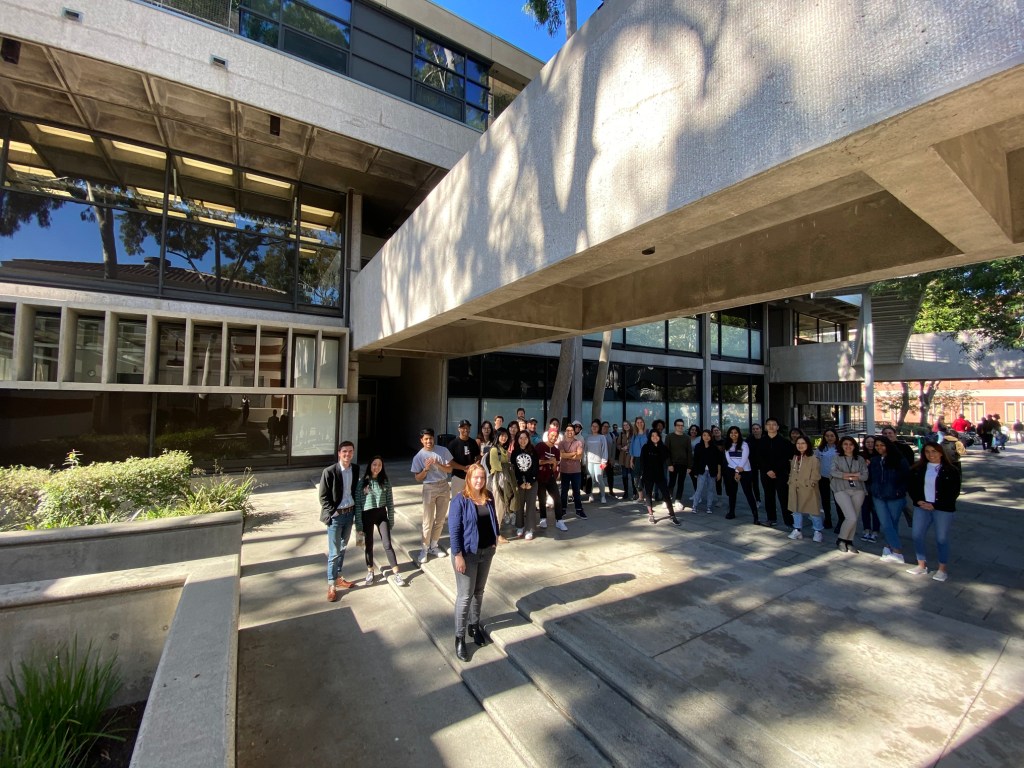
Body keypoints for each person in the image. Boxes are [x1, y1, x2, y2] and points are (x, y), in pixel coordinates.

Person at [449, 463, 500, 661]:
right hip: (467, 554)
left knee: (479, 592)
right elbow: (454, 531)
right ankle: (460, 637)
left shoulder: (488, 496)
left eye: (482, 477)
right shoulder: (460, 501)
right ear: (469, 478)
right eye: (475, 477)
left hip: (487, 552)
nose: (479, 481)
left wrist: (496, 539)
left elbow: (493, 519)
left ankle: (474, 625)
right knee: (465, 596)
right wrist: (458, 555)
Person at [906, 442, 962, 582]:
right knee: (917, 535)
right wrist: (918, 501)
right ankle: (921, 565)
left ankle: (942, 569)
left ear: (941, 452)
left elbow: (953, 492)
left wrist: (936, 505)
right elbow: (912, 487)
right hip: (922, 507)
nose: (931, 454)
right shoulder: (918, 469)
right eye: (927, 452)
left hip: (942, 509)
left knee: (941, 538)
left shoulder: (951, 470)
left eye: (934, 451)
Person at [319, 441, 360, 602]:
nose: (347, 454)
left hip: (349, 515)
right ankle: (331, 585)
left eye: (350, 451)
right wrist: (334, 512)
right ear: (339, 453)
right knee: (334, 551)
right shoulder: (329, 472)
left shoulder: (355, 469)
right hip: (336, 516)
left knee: (343, 548)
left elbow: (355, 490)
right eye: (344, 451)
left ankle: (339, 577)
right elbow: (323, 496)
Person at [357, 456, 405, 587]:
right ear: (369, 466)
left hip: (381, 515)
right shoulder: (362, 482)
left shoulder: (385, 480)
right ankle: (370, 570)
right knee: (368, 544)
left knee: (387, 544)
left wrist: (391, 518)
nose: (376, 467)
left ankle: (396, 573)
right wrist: (358, 524)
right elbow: (358, 505)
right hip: (366, 515)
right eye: (374, 464)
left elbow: (390, 501)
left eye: (379, 465)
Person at [410, 428, 453, 565]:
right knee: (427, 521)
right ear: (422, 440)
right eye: (426, 439)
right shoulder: (418, 456)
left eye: (431, 438)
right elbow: (417, 477)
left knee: (440, 519)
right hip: (429, 487)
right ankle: (424, 548)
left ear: (434, 439)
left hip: (444, 485)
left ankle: (434, 546)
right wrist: (426, 469)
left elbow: (450, 469)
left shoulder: (443, 450)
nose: (429, 441)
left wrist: (437, 464)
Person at [870, 435, 910, 564]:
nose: (879, 448)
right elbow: (872, 477)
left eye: (882, 445)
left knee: (892, 523)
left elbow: (906, 478)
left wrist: (900, 491)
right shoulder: (875, 460)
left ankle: (891, 548)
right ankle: (896, 550)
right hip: (878, 496)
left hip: (895, 496)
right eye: (877, 446)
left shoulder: (899, 460)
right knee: (886, 523)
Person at [831, 436, 868, 553]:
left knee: (854, 517)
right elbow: (833, 472)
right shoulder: (836, 458)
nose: (848, 446)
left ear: (854, 446)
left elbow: (865, 476)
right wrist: (853, 475)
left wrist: (844, 475)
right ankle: (841, 539)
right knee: (850, 517)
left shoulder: (860, 459)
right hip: (841, 489)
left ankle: (849, 541)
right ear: (841, 446)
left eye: (850, 444)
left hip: (858, 490)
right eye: (845, 444)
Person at [756, 418, 795, 527]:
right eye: (769, 424)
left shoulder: (784, 442)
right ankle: (771, 519)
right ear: (765, 427)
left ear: (778, 427)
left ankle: (789, 521)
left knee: (784, 497)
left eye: (774, 424)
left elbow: (786, 458)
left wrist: (775, 470)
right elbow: (759, 458)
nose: (771, 426)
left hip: (781, 473)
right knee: (768, 496)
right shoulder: (761, 441)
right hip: (765, 473)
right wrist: (768, 470)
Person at [787, 435, 823, 541]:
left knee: (813, 511)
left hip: (808, 488)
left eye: (803, 443)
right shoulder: (795, 457)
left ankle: (817, 531)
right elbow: (792, 471)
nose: (800, 446)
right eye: (798, 443)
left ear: (807, 444)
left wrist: (811, 483)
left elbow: (816, 475)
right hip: (794, 487)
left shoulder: (813, 458)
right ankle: (797, 529)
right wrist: (790, 481)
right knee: (796, 509)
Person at [640, 429, 678, 524]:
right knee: (648, 494)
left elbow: (668, 458)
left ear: (660, 437)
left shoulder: (663, 447)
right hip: (648, 474)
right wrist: (642, 474)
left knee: (666, 494)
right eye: (652, 435)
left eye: (656, 435)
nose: (655, 437)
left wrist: (670, 465)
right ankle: (651, 515)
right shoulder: (645, 447)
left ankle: (672, 515)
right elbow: (642, 461)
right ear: (650, 437)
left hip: (660, 474)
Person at [722, 426, 758, 523]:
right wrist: (736, 470)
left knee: (748, 493)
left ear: (739, 434)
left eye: (736, 432)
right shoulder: (727, 445)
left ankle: (755, 516)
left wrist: (738, 471)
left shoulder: (744, 444)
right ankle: (731, 512)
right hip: (732, 470)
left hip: (745, 471)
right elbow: (728, 459)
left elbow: (744, 458)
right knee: (732, 492)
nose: (733, 434)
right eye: (731, 432)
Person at [535, 427, 567, 531]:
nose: (554, 438)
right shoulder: (540, 446)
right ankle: (543, 518)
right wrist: (549, 461)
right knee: (542, 498)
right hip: (540, 477)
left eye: (556, 436)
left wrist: (554, 463)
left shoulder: (556, 451)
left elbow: (554, 468)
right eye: (552, 435)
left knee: (557, 498)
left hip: (550, 477)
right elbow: (537, 461)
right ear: (548, 435)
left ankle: (559, 520)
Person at [511, 430, 539, 539]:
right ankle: (520, 526)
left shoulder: (533, 451)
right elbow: (514, 469)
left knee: (531, 506)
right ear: (517, 439)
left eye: (525, 438)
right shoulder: (514, 452)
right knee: (519, 505)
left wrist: (530, 482)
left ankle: (529, 529)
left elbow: (535, 468)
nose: (523, 440)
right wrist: (520, 482)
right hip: (519, 483)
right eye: (520, 438)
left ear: (528, 439)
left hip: (532, 483)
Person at [487, 427, 516, 529]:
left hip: (505, 479)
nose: (504, 437)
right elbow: (496, 466)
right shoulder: (494, 449)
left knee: (503, 505)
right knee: (498, 506)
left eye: (506, 435)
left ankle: (496, 530)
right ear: (497, 436)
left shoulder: (503, 449)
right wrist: (508, 466)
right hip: (498, 480)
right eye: (502, 435)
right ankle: (496, 533)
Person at [558, 423, 587, 519]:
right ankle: (563, 509)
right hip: (564, 470)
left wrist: (568, 454)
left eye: (571, 430)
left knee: (576, 491)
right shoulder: (561, 443)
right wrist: (573, 454)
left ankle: (579, 510)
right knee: (564, 491)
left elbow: (579, 456)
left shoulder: (578, 442)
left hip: (576, 471)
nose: (569, 432)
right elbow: (562, 455)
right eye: (567, 430)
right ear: (565, 432)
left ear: (574, 432)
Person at [691, 429, 722, 514]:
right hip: (701, 471)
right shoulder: (698, 446)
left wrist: (719, 473)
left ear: (711, 437)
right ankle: (694, 506)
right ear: (702, 436)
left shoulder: (714, 447)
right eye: (704, 435)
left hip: (712, 472)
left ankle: (709, 507)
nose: (706, 437)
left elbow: (718, 461)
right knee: (699, 489)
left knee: (710, 490)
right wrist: (695, 472)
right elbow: (695, 460)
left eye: (708, 435)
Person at [448, 419, 481, 497]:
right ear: (459, 429)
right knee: (457, 500)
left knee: (472, 500)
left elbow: (478, 457)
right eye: (463, 428)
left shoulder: (473, 442)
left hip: (472, 476)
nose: (465, 430)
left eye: (467, 428)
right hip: (457, 477)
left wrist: (473, 466)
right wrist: (463, 468)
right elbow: (450, 462)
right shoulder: (453, 444)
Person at [665, 419, 693, 510]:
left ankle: (678, 500)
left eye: (682, 425)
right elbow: (666, 451)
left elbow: (689, 452)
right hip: (673, 464)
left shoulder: (687, 438)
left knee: (681, 483)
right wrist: (669, 464)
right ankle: (668, 500)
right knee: (671, 483)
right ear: (675, 426)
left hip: (683, 464)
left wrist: (689, 466)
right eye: (678, 425)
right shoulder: (669, 436)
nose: (680, 427)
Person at [815, 429, 839, 530]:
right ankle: (827, 519)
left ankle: (841, 520)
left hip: (836, 478)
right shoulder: (820, 449)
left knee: (838, 500)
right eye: (827, 436)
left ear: (836, 437)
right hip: (823, 477)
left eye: (832, 435)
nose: (830, 438)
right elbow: (816, 462)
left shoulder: (839, 448)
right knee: (825, 500)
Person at [860, 435, 881, 543]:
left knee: (875, 509)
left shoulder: (880, 456)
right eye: (867, 442)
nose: (870, 444)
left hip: (876, 485)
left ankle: (876, 530)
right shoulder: (861, 456)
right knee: (865, 508)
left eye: (872, 442)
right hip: (864, 485)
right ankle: (866, 529)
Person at [584, 420, 609, 504]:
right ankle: (591, 495)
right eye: (593, 426)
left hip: (599, 463)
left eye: (596, 426)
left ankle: (603, 496)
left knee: (599, 479)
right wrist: (584, 461)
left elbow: (605, 450)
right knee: (590, 480)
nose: (594, 428)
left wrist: (604, 462)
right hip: (589, 462)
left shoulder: (602, 437)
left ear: (599, 428)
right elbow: (585, 450)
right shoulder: (587, 437)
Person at [628, 416, 648, 501]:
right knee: (636, 478)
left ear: (644, 423)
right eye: (637, 423)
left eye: (641, 422)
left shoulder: (647, 433)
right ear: (635, 424)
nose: (639, 424)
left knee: (646, 478)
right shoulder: (634, 435)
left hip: (646, 459)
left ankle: (648, 497)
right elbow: (632, 447)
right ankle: (640, 496)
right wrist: (631, 460)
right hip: (636, 459)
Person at [617, 421, 634, 500]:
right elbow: (618, 444)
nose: (626, 426)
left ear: (630, 425)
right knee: (624, 476)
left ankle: (635, 492)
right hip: (623, 456)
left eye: (627, 424)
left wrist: (629, 446)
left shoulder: (634, 434)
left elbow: (635, 444)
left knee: (634, 476)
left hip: (631, 457)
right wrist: (621, 448)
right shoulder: (621, 434)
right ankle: (626, 492)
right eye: (624, 425)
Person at [748, 422, 763, 509]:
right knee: (755, 483)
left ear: (760, 429)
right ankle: (758, 500)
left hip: (764, 464)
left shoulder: (765, 439)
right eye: (753, 429)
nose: (755, 430)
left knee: (766, 484)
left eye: (757, 429)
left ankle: (770, 502)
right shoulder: (749, 439)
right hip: (752, 464)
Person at [601, 421, 617, 501]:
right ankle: (600, 491)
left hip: (609, 460)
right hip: (601, 461)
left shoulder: (612, 435)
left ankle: (611, 490)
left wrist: (612, 458)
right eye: (604, 426)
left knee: (610, 476)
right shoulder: (599, 435)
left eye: (607, 427)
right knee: (599, 476)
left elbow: (614, 448)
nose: (606, 428)